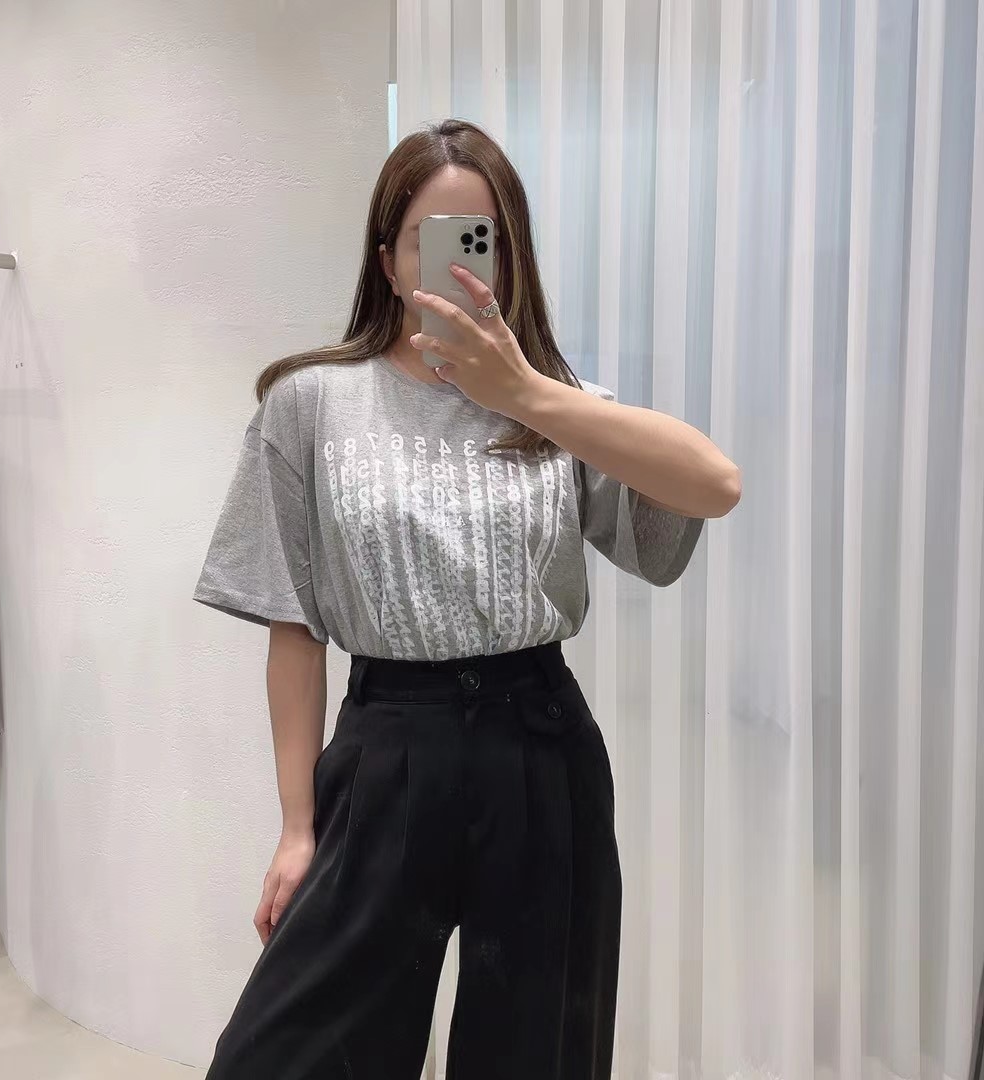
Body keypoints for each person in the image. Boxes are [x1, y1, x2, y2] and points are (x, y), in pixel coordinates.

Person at [193, 118, 741, 1080]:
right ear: (388, 260)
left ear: (510, 256)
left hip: (540, 748)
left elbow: (715, 485)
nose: (455, 267)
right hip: (386, 747)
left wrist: (525, 393)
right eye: (428, 241)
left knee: (537, 1054)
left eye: (477, 240)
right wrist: (295, 827)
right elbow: (294, 626)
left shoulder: (560, 404)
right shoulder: (311, 403)